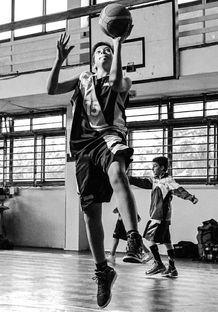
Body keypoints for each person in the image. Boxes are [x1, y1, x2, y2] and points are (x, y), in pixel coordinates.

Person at [47, 31, 143, 308]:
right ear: (92, 60)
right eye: (99, 52)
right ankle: (103, 270)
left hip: (109, 136)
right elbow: (51, 89)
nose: (103, 54)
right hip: (83, 149)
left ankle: (133, 237)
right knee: (90, 212)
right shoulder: (83, 80)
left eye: (107, 52)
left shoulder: (123, 80)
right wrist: (58, 59)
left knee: (117, 173)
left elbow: (115, 80)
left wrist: (117, 42)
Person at [129, 156, 199, 278]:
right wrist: (128, 178)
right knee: (167, 242)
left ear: (162, 167)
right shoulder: (154, 180)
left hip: (159, 216)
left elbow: (179, 190)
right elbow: (141, 181)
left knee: (149, 239)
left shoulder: (168, 180)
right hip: (163, 217)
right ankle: (172, 267)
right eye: (152, 166)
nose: (153, 168)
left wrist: (191, 197)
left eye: (155, 166)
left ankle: (158, 264)